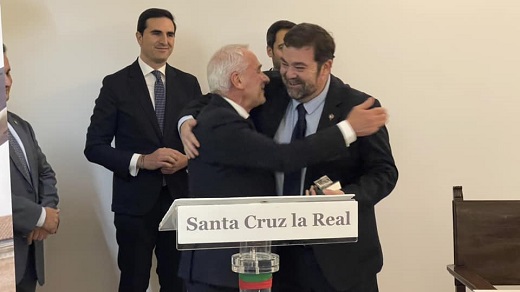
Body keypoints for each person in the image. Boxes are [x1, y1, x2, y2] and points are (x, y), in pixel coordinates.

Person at [181, 23, 398, 292]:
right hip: (274, 257)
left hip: (339, 261)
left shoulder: (359, 108)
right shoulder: (269, 90)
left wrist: (347, 198)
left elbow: (384, 173)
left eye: (299, 67)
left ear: (326, 66)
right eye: (284, 64)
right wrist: (185, 121)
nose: (288, 75)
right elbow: (217, 96)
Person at [84, 8, 201, 292]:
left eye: (170, 34)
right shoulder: (116, 84)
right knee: (134, 281)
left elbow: (203, 142)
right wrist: (142, 160)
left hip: (180, 202)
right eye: (157, 33)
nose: (165, 40)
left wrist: (186, 160)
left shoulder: (189, 83)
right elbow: (94, 147)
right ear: (139, 36)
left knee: (179, 283)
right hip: (134, 204)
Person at [4, 44, 60, 292]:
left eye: (8, 72)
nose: (7, 82)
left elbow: (45, 173)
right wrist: (40, 217)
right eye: (0, 75)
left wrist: (47, 210)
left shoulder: (20, 125)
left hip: (27, 260)